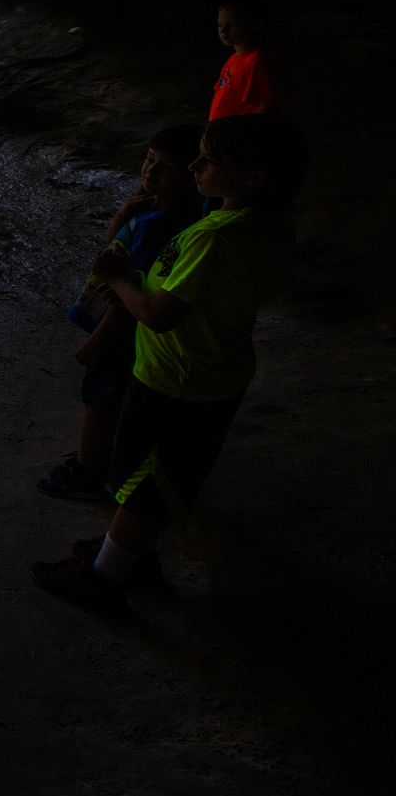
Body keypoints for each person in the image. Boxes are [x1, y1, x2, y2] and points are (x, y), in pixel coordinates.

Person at [32, 114, 306, 612]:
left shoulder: (217, 238)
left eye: (208, 160)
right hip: (211, 372)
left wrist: (119, 279)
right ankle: (128, 553)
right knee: (152, 477)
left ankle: (105, 579)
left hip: (177, 380)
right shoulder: (263, 223)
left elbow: (157, 315)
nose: (195, 166)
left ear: (254, 177)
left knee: (146, 482)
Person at [36, 125, 205, 501]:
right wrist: (125, 213)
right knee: (116, 395)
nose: (150, 173)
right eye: (148, 161)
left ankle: (88, 469)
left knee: (100, 396)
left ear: (194, 178)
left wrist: (98, 339)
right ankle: (105, 456)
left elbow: (128, 290)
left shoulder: (162, 224)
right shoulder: (155, 209)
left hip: (122, 327)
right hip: (133, 327)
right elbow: (116, 244)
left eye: (165, 169)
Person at [210, 0, 275, 119]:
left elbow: (266, 106)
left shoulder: (255, 62)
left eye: (232, 25)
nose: (223, 31)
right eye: (220, 24)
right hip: (221, 133)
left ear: (254, 25)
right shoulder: (232, 60)